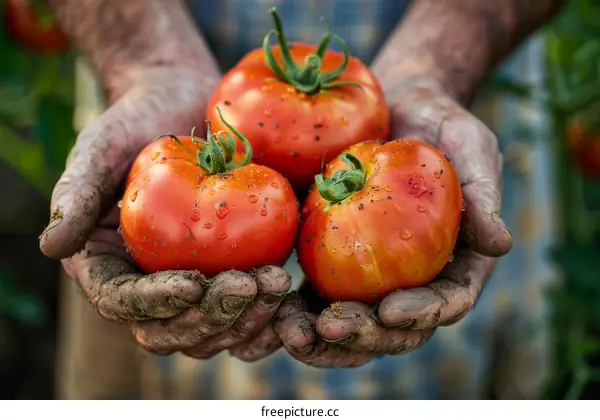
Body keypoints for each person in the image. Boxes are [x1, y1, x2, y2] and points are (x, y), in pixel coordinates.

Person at [42, 0, 564, 399]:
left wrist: (440, 67)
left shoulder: (417, 163)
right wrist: (143, 59)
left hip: (467, 78)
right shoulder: (161, 163)